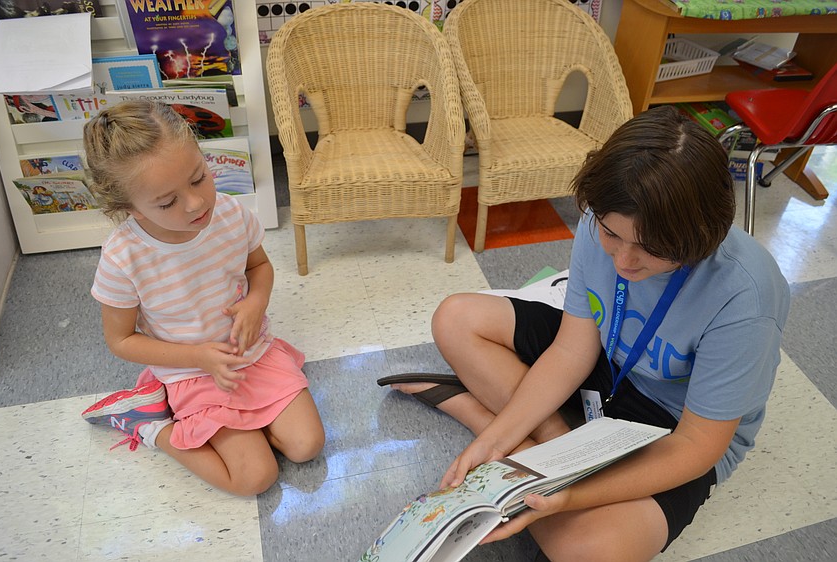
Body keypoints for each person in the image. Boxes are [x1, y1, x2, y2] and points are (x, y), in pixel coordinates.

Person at [385, 106, 790, 560]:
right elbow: (572, 349)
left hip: (674, 426)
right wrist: (495, 441)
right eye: (612, 235)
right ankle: (546, 448)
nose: (623, 261)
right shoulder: (603, 214)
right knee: (455, 319)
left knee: (588, 551)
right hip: (608, 363)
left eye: (652, 250)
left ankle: (489, 418)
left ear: (701, 238)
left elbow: (697, 446)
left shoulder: (745, 297)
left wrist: (569, 497)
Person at [80, 100, 325, 496]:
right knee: (254, 478)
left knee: (307, 446)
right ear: (129, 208)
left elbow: (258, 268)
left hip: (254, 354)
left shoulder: (230, 214)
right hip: (193, 372)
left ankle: (243, 424)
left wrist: (255, 302)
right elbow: (121, 340)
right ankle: (150, 425)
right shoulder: (123, 258)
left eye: (198, 178)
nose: (196, 203)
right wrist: (199, 358)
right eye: (166, 202)